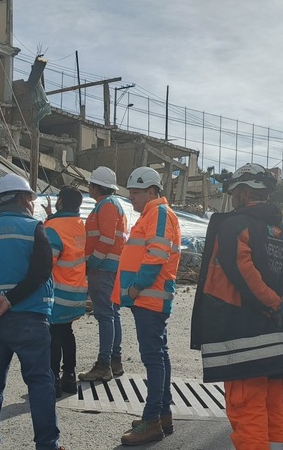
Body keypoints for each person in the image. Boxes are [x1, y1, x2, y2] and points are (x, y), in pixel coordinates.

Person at [190, 163, 283, 450]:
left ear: (244, 194)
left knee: (245, 407)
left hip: (242, 335)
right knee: (271, 404)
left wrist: (272, 303)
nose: (233, 200)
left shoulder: (234, 226)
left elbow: (241, 269)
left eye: (234, 193)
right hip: (277, 337)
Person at [0, 174, 63, 450]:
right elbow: (41, 271)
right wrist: (10, 300)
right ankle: (47, 445)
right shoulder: (34, 229)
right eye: (31, 198)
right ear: (22, 198)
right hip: (30, 319)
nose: (32, 203)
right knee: (40, 383)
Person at [113, 167, 181, 446]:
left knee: (153, 357)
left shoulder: (159, 214)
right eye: (130, 193)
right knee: (158, 355)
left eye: (137, 193)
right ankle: (162, 414)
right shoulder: (152, 215)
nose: (132, 198)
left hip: (149, 297)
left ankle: (152, 420)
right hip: (147, 298)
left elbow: (156, 255)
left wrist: (137, 287)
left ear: (152, 191)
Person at [79, 166, 128, 381]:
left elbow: (106, 239)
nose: (88, 188)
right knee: (112, 314)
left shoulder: (106, 206)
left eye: (90, 184)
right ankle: (114, 362)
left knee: (105, 315)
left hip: (104, 268)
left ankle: (104, 364)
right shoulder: (111, 205)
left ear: (97, 187)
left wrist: (93, 264)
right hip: (111, 268)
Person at [44, 186, 88, 398]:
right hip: (77, 291)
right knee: (67, 333)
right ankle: (69, 376)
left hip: (57, 293)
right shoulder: (80, 224)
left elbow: (46, 262)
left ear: (60, 201)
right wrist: (52, 217)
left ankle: (53, 381)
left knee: (53, 335)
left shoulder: (53, 227)